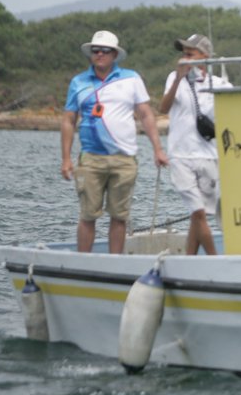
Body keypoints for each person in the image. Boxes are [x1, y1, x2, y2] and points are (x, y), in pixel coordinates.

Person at [61, 30, 167, 254]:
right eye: (95, 50)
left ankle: (115, 263)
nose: (99, 54)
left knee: (119, 216)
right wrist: (66, 159)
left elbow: (146, 114)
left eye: (104, 51)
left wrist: (158, 149)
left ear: (114, 54)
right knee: (88, 215)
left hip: (124, 158)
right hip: (91, 158)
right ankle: (82, 263)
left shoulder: (131, 78)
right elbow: (69, 120)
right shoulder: (78, 82)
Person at [159, 34, 241, 256]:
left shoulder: (219, 83)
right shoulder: (175, 78)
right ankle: (214, 258)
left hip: (209, 155)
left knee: (198, 214)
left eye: (190, 53)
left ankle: (189, 259)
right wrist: (177, 80)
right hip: (181, 155)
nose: (185, 57)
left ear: (205, 56)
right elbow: (163, 108)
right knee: (198, 212)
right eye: (184, 53)